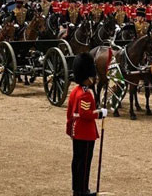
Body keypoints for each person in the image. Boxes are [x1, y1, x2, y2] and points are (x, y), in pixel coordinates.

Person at [66, 53, 107, 196]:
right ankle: (83, 190)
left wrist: (69, 130)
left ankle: (77, 189)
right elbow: (86, 114)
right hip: (85, 133)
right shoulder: (85, 94)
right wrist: (101, 113)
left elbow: (70, 113)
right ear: (87, 76)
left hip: (77, 131)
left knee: (77, 162)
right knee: (84, 164)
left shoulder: (75, 91)